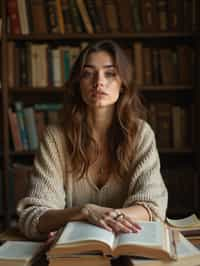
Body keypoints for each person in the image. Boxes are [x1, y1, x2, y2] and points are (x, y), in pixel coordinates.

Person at [17, 40, 168, 240]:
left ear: (123, 83)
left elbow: (153, 208)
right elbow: (33, 217)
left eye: (110, 73)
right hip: (73, 253)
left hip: (128, 246)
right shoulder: (56, 137)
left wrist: (105, 217)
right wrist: (86, 211)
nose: (99, 82)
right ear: (78, 83)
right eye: (88, 73)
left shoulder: (140, 133)